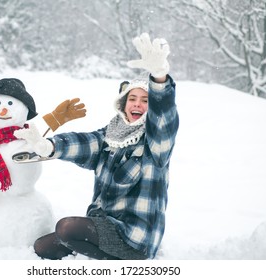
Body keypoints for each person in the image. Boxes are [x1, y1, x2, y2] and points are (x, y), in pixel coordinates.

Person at [15, 33, 179, 260]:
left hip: (135, 238)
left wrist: (159, 79)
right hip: (103, 227)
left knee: (66, 228)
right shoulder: (110, 136)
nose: (138, 104)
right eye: (133, 99)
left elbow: (164, 117)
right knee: (43, 247)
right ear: (123, 104)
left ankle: (125, 264)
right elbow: (82, 143)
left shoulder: (155, 145)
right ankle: (101, 257)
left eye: (145, 100)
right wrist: (49, 146)